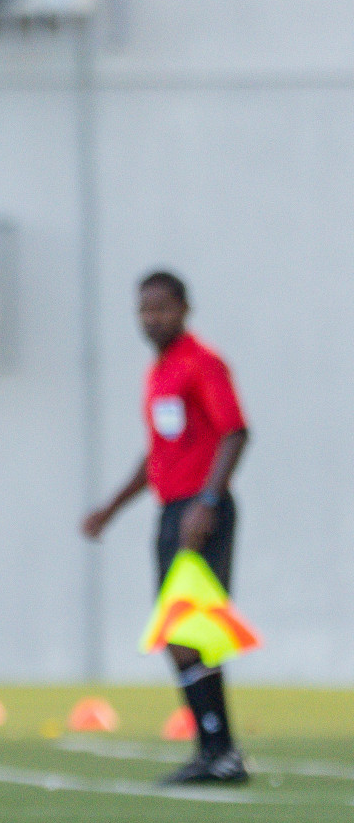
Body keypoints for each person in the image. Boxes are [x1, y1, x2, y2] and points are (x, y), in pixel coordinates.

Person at [83, 270, 250, 783]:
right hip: (172, 510)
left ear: (184, 308)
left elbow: (234, 432)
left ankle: (219, 753)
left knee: (187, 631)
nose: (152, 319)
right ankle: (216, 751)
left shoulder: (202, 363)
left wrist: (207, 501)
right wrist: (112, 506)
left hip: (200, 512)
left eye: (162, 308)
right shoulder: (159, 372)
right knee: (183, 632)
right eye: (144, 310)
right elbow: (159, 454)